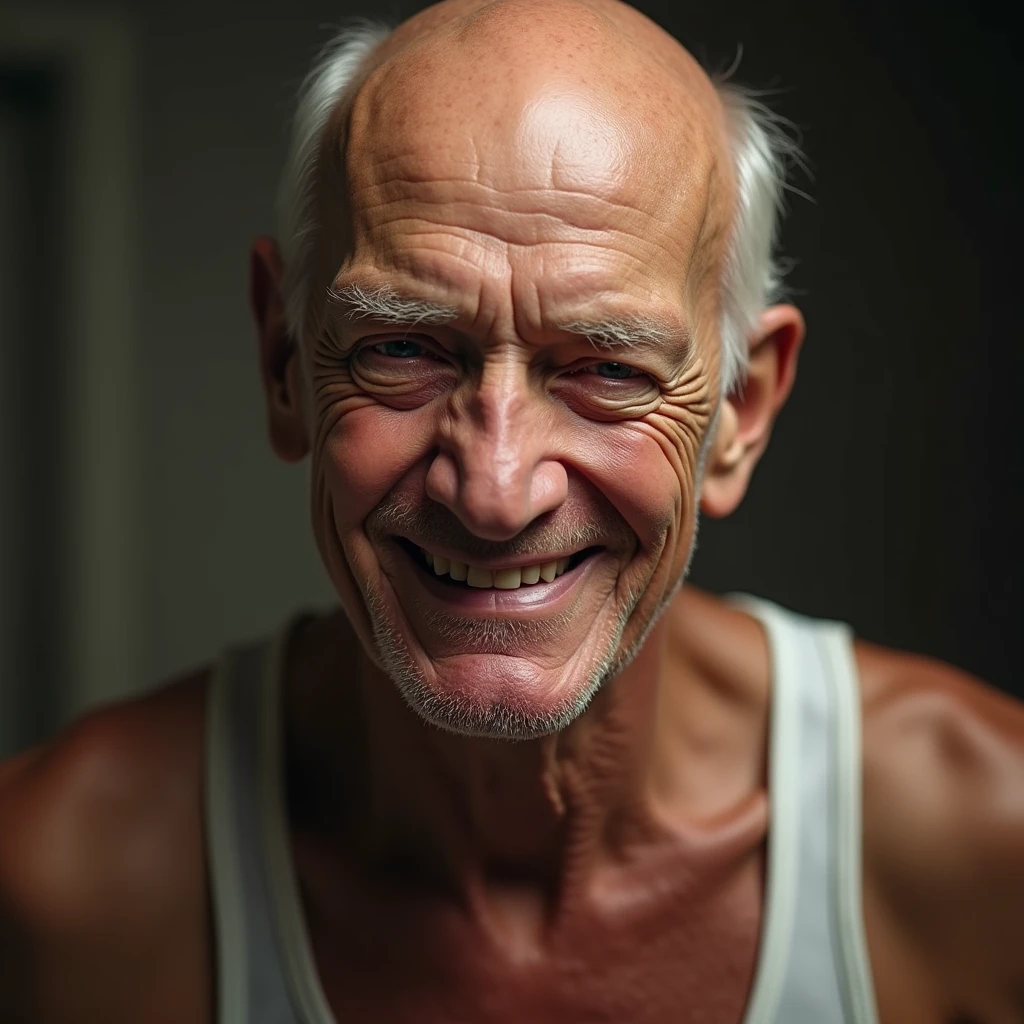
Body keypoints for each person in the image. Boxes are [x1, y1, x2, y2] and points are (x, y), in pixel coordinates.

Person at [1, 1, 1022, 1021]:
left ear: (741, 409)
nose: (494, 490)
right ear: (282, 362)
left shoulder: (984, 843)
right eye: (402, 348)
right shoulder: (62, 885)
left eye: (608, 368)